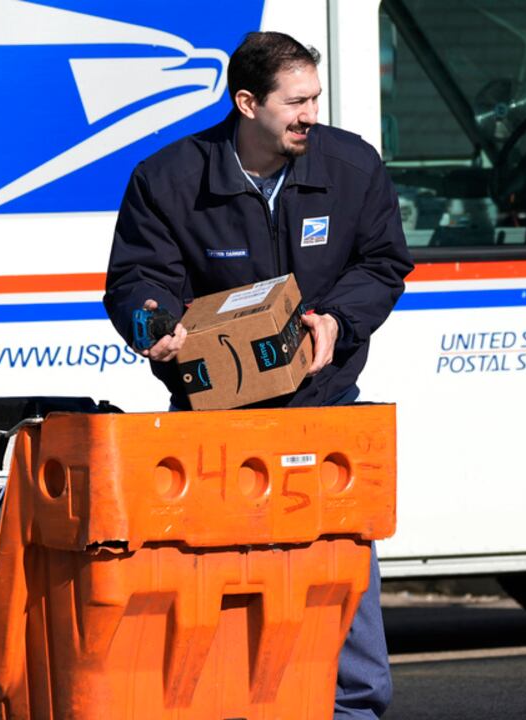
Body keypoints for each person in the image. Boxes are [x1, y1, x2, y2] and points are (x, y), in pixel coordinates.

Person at [103, 31, 413, 719]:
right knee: (228, 584)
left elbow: (384, 262)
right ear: (247, 103)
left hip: (324, 410)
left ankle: (353, 709)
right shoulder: (170, 179)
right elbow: (137, 279)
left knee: (338, 571)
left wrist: (339, 319)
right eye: (295, 102)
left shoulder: (351, 165)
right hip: (219, 426)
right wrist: (154, 324)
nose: (310, 114)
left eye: (315, 99)